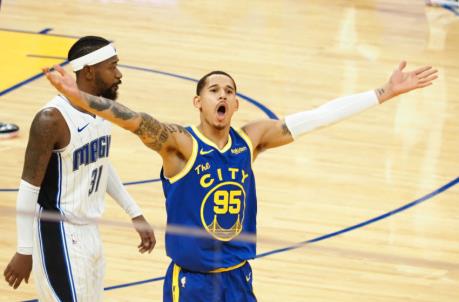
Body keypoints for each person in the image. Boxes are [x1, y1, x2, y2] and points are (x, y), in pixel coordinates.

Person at [43, 60, 437, 301]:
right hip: (192, 285)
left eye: (229, 91)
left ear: (235, 104)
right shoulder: (180, 144)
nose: (223, 95)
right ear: (199, 102)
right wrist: (80, 98)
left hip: (239, 278)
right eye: (214, 89)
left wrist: (384, 92)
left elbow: (317, 117)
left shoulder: (251, 140)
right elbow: (131, 118)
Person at [3, 36, 156, 301]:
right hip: (58, 232)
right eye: (112, 67)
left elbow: (101, 164)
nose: (119, 75)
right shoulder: (52, 119)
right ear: (89, 71)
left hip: (90, 230)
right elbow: (28, 188)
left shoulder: (102, 110)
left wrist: (135, 212)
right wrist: (24, 249)